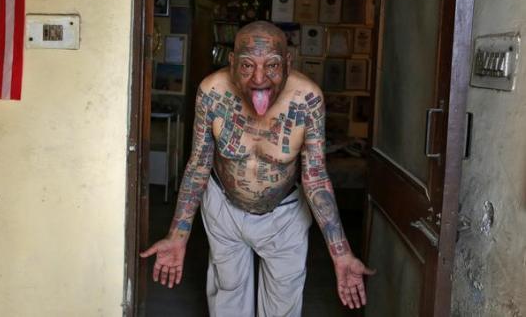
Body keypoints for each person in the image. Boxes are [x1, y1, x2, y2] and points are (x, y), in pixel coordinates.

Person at [141, 21, 375, 316]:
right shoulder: (212, 92)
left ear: (288, 63)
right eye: (247, 65)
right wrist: (177, 236)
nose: (259, 78)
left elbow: (315, 177)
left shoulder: (308, 99)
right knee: (228, 298)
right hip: (224, 210)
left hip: (285, 215)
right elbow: (199, 164)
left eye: (272, 65)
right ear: (232, 62)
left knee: (283, 305)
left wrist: (341, 255)